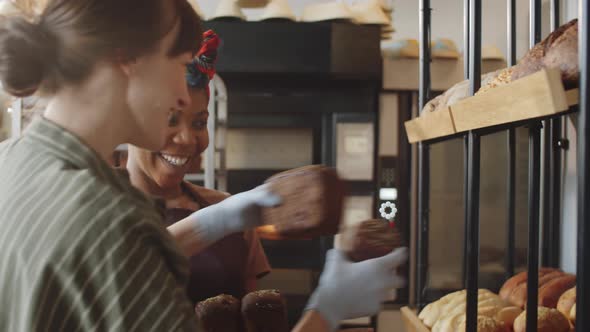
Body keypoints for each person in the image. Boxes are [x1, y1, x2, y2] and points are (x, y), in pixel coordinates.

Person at [0, 1, 407, 331]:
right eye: (180, 64)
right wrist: (327, 310)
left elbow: (96, 274)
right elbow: (113, 246)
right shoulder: (113, 220)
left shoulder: (11, 161)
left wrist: (216, 220)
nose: (183, 94)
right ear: (128, 60)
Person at [125, 29, 270, 303]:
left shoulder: (233, 214)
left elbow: (256, 316)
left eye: (199, 123)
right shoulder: (97, 210)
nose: (187, 139)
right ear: (131, 119)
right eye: (171, 119)